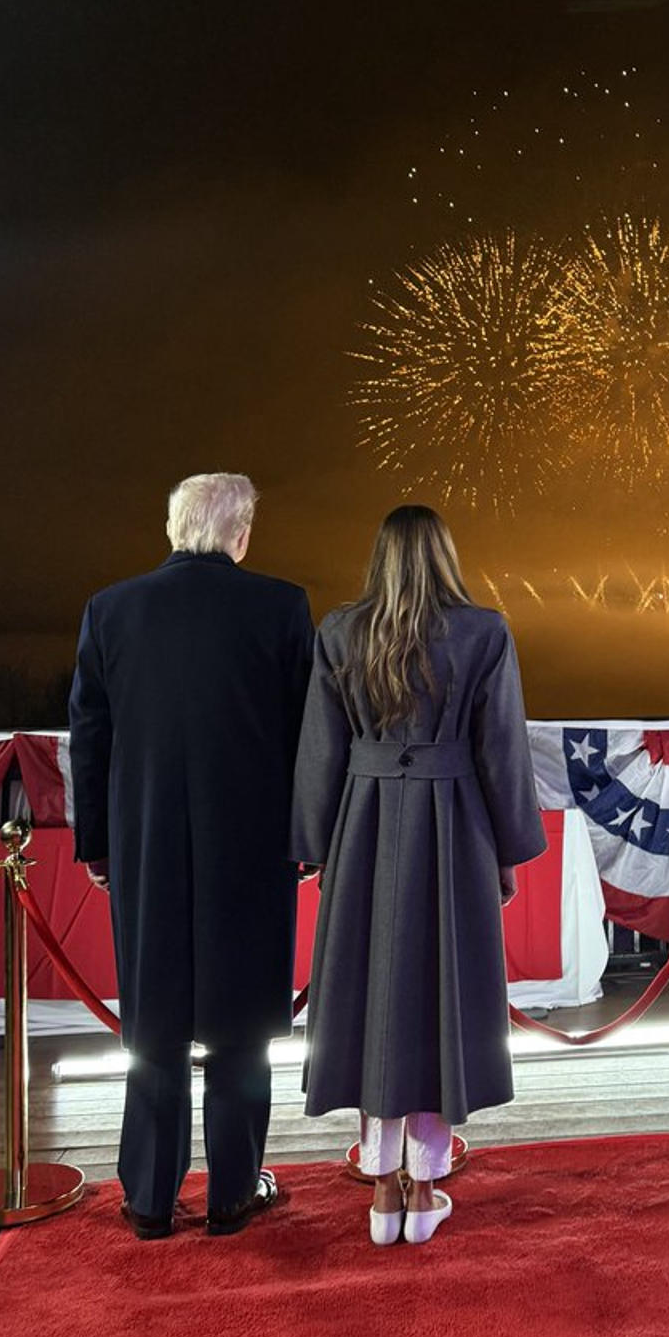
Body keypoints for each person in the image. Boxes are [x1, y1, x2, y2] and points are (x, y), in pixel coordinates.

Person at [292, 503, 547, 1246]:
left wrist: (314, 844)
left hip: (364, 827)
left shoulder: (340, 630)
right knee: (441, 1002)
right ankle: (427, 1187)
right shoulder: (484, 632)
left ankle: (381, 1197)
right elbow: (501, 749)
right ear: (443, 555)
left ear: (380, 557)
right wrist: (504, 849)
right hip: (453, 825)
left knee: (372, 1000)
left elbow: (320, 750)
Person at [69, 473, 313, 1239]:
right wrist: (306, 838)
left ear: (173, 527)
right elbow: (308, 736)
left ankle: (147, 1196)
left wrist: (98, 845)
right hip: (252, 849)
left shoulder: (110, 610)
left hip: (144, 849)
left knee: (154, 1024)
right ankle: (234, 1191)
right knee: (242, 1028)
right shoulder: (280, 606)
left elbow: (91, 739)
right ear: (240, 534)